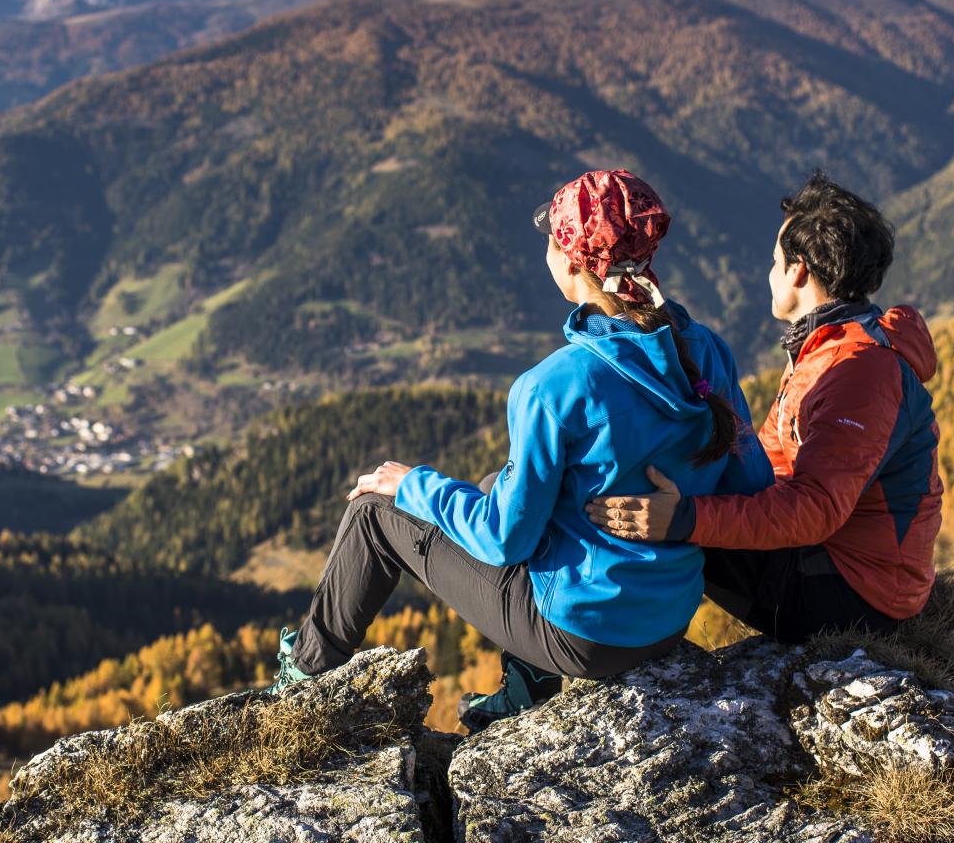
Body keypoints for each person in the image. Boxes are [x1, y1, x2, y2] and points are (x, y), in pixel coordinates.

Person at [265, 169, 771, 733]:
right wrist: (680, 515)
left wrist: (413, 484)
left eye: (552, 239)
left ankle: (302, 686)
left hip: (584, 634)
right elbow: (751, 486)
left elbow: (505, 540)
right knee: (491, 484)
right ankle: (523, 687)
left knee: (373, 515)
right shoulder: (704, 351)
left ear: (572, 261)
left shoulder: (553, 386)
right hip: (666, 616)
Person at [586, 172, 942, 643]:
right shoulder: (827, 348)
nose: (768, 272)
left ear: (798, 271)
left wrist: (685, 517)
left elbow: (816, 507)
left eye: (774, 261)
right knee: (655, 493)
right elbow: (770, 460)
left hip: (855, 598)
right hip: (839, 566)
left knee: (638, 505)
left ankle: (610, 645)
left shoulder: (858, 371)